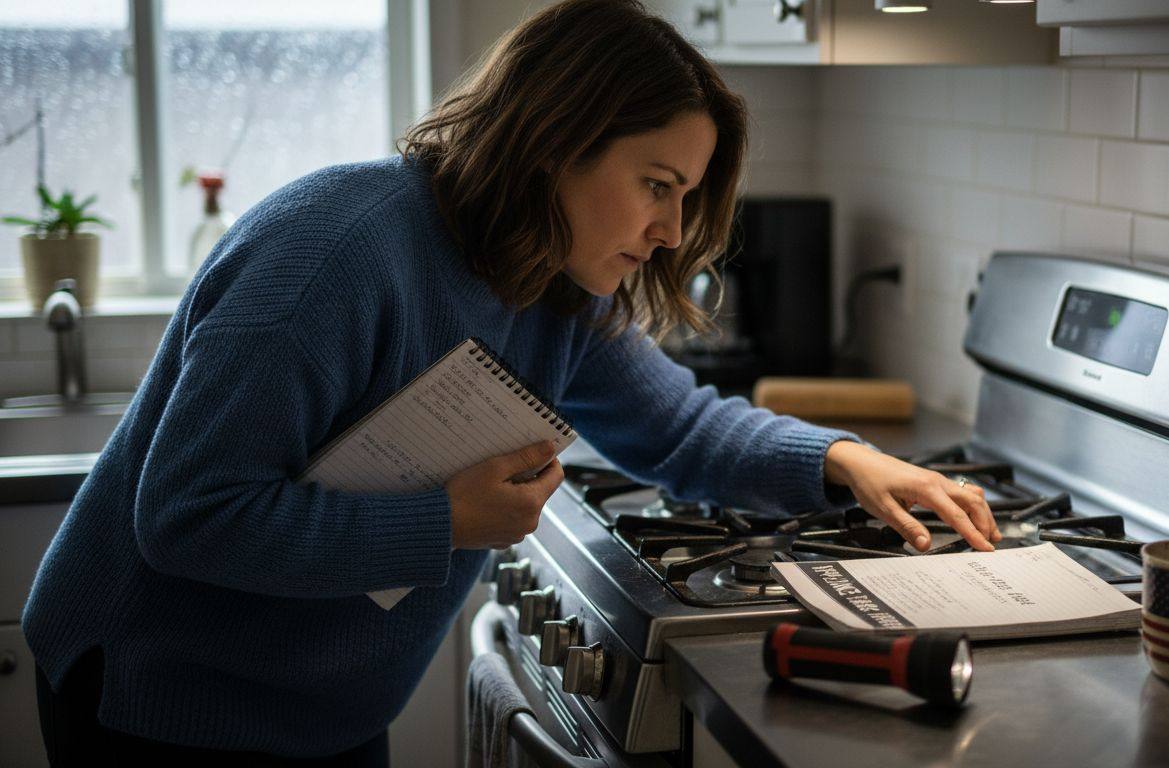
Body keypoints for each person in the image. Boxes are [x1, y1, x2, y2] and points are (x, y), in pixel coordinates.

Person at [22, 0, 1000, 764]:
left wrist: (847, 459)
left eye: (687, 196)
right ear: (555, 141)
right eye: (656, 183)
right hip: (160, 705)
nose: (670, 230)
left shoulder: (555, 285)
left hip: (322, 710)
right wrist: (443, 522)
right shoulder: (336, 255)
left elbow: (683, 433)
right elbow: (187, 514)